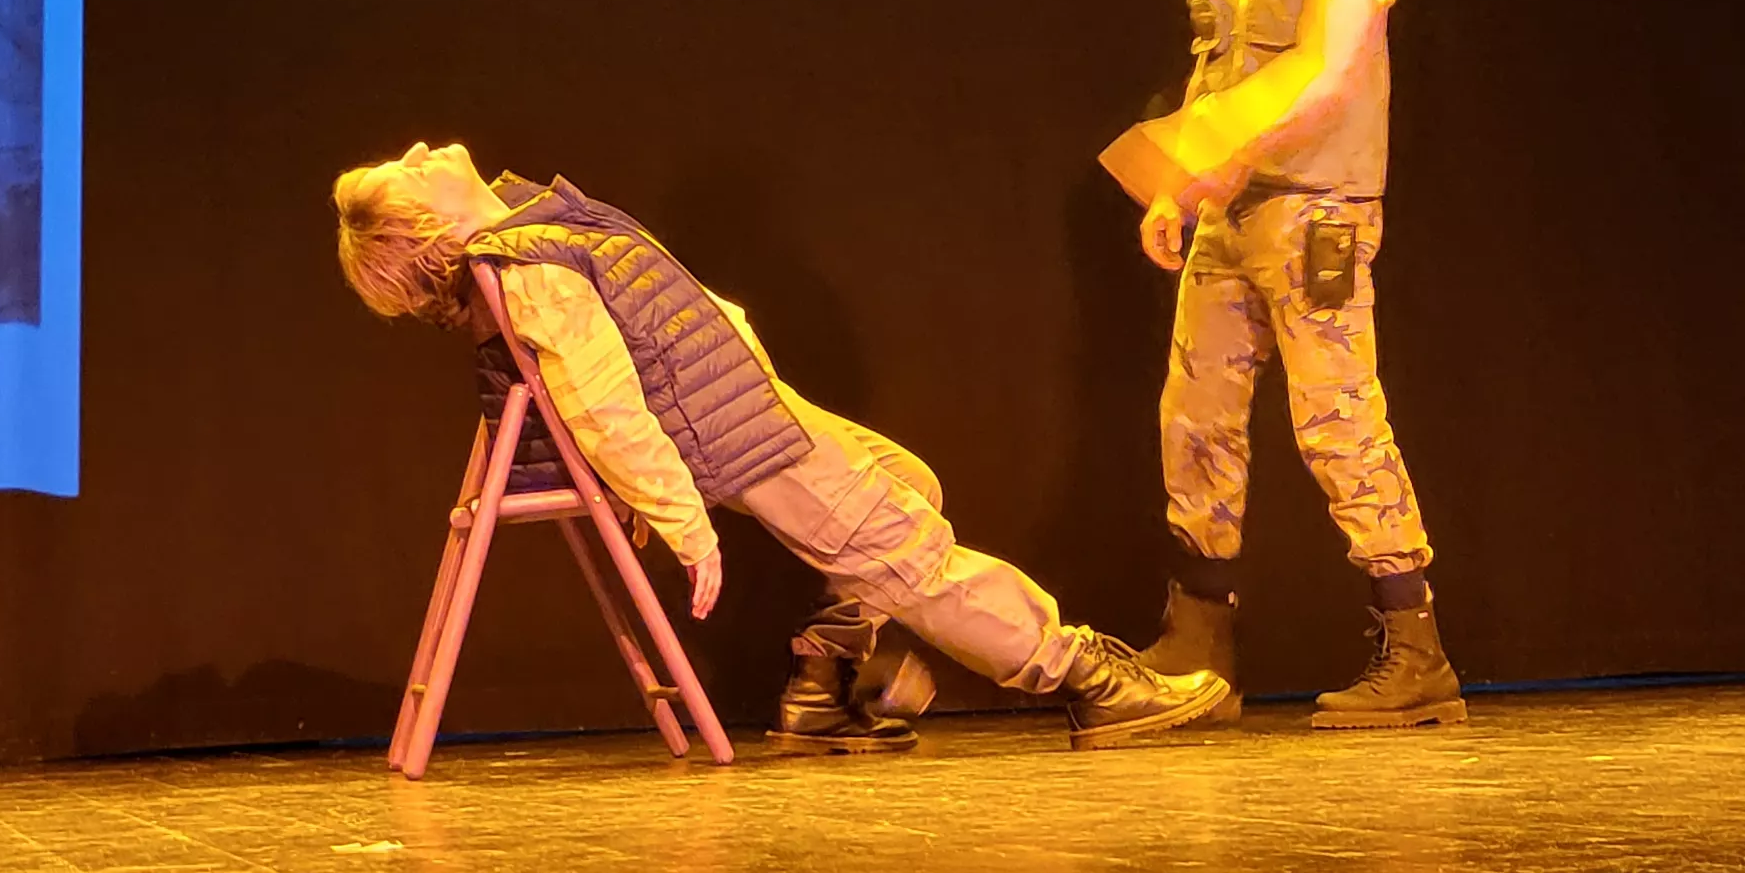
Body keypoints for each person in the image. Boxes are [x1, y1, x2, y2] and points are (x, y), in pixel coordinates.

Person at [334, 144, 1231, 753]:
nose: (418, 150)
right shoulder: (528, 269)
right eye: (406, 172)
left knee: (905, 482)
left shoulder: (534, 229)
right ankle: (1082, 678)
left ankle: (819, 687)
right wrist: (682, 523)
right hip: (739, 437)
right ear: (435, 231)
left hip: (755, 408)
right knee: (908, 555)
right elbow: (605, 409)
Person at [1135, 0, 1464, 729]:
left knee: (1337, 417)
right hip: (1228, 209)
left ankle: (1415, 649)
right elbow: (1213, 75)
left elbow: (1332, 70)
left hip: (1316, 207)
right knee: (1195, 417)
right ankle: (1198, 644)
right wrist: (1175, 186)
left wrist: (1234, 162)